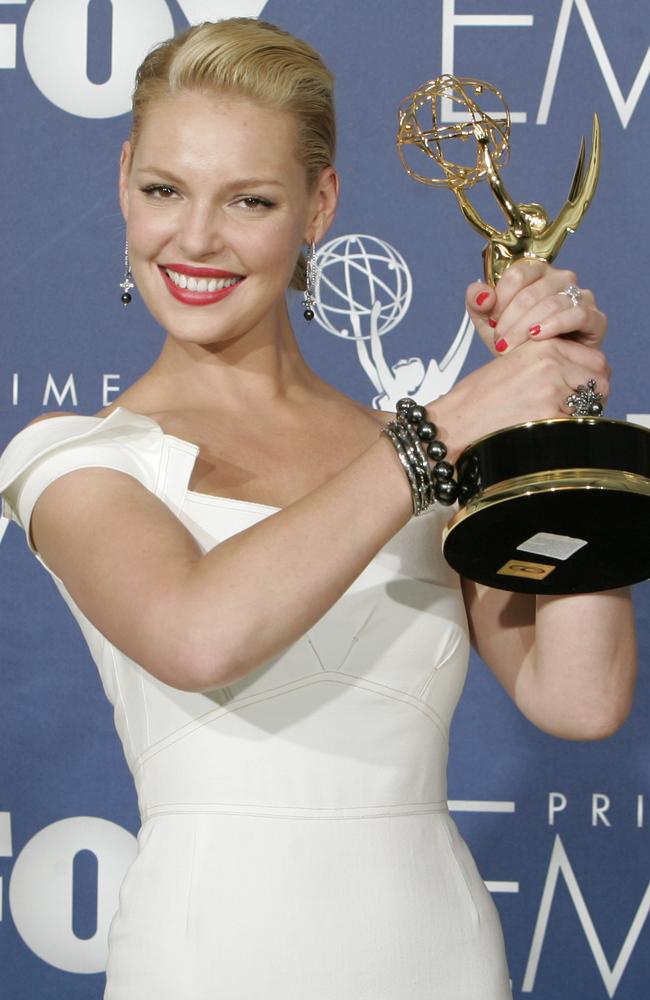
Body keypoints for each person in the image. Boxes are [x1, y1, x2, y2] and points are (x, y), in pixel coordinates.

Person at [0, 18, 637, 1000]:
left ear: (317, 205)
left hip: (437, 958)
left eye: (249, 200)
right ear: (125, 178)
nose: (196, 238)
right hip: (203, 960)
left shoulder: (417, 450)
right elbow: (197, 632)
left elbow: (578, 696)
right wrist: (442, 430)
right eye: (165, 189)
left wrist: (558, 426)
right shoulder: (73, 457)